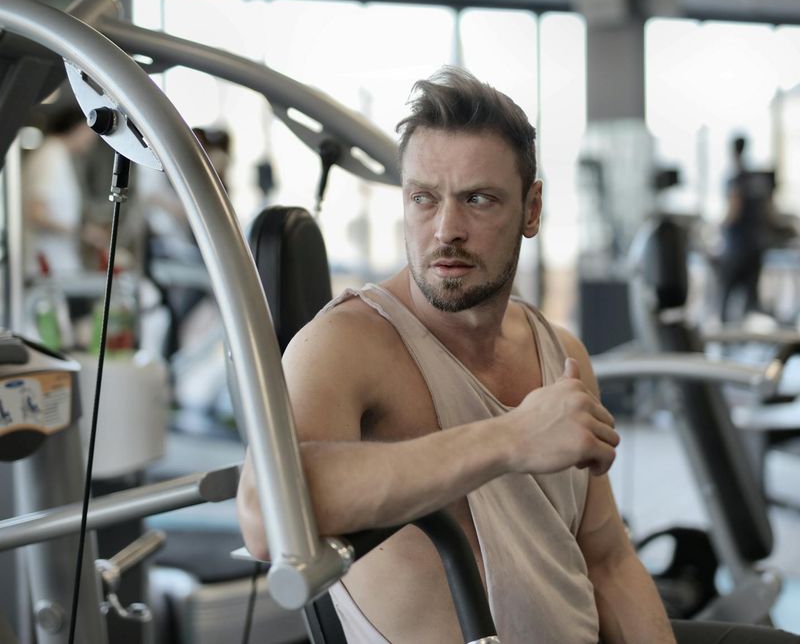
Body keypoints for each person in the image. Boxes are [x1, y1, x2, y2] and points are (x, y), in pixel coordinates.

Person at [237, 69, 798, 643]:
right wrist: (512, 438)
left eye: (477, 199)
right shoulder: (347, 342)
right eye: (424, 198)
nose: (446, 229)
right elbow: (263, 517)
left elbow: (607, 560)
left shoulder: (560, 353)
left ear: (532, 211)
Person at [23, 106, 99, 278]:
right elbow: (36, 213)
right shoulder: (50, 155)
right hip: (48, 260)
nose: (93, 138)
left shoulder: (58, 154)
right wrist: (83, 232)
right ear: (77, 128)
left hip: (58, 259)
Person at [718, 135, 774, 322]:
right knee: (751, 299)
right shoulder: (759, 179)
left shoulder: (736, 178)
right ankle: (748, 333)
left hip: (737, 247)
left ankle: (726, 334)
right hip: (756, 244)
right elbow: (769, 213)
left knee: (725, 297)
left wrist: (717, 227)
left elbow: (734, 211)